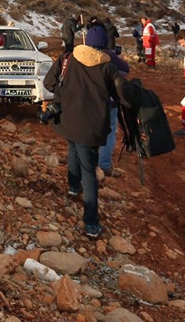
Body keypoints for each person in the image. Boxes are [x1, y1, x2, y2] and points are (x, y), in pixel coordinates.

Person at [42, 27, 128, 239]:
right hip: (91, 126)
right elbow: (124, 96)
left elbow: (49, 84)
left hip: (68, 120)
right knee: (89, 171)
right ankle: (91, 223)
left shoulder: (67, 58)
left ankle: (73, 187)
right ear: (104, 46)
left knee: (73, 146)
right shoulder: (108, 67)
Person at [84, 25, 130, 177]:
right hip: (108, 101)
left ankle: (86, 162)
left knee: (88, 130)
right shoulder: (110, 56)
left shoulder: (81, 56)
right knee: (109, 132)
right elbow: (125, 70)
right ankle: (103, 164)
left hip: (87, 101)